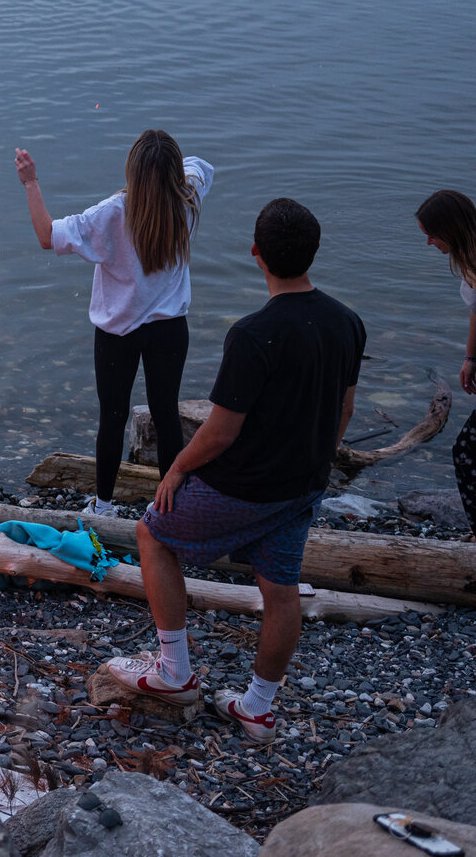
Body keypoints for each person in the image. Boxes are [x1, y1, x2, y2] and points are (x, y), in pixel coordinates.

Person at [106, 198, 363, 741]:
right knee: (281, 591)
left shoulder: (254, 333)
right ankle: (258, 709)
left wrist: (175, 468)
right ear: (313, 253)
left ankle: (174, 671)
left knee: (152, 534)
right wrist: (317, 460)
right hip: (302, 487)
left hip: (245, 487)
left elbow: (221, 430)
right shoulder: (347, 322)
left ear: (255, 254)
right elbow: (344, 408)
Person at [15, 131, 214, 517]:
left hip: (117, 331)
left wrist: (30, 181)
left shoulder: (111, 213)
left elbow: (46, 235)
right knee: (165, 414)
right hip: (170, 327)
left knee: (113, 415)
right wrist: (171, 170)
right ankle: (171, 506)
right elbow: (202, 165)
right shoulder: (188, 199)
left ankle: (104, 506)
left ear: (132, 170)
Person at [415, 189, 476, 539]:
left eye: (432, 234)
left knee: (466, 451)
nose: (428, 242)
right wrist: (470, 357)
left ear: (450, 230)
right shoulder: (470, 262)